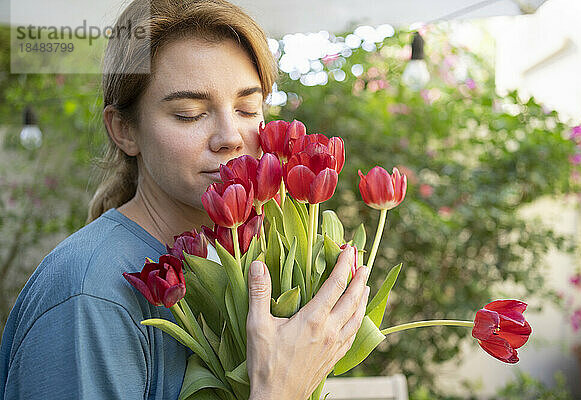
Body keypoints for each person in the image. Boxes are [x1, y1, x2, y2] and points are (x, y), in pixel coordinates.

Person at [0, 0, 370, 399]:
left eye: (247, 108)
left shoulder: (258, 270)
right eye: (190, 113)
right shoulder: (88, 298)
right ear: (124, 130)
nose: (230, 137)